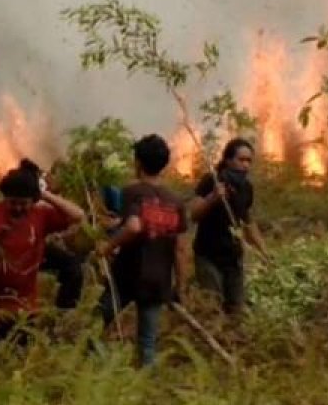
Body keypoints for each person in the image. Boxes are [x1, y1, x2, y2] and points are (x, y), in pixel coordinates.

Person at [0, 166, 85, 359]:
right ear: (4, 198)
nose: (18, 208)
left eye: (23, 203)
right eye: (13, 202)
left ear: (33, 200)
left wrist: (44, 194)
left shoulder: (41, 215)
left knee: (19, 360)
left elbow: (78, 216)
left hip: (25, 306)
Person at [94, 134, 188, 367]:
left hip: (128, 274)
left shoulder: (132, 192)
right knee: (147, 341)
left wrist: (107, 247)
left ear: (137, 162)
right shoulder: (176, 201)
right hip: (158, 279)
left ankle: (91, 370)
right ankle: (148, 385)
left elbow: (134, 226)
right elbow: (180, 248)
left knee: (97, 322)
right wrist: (181, 285)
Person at [189, 138, 267, 315]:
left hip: (233, 257)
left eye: (249, 161)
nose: (246, 165)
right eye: (241, 160)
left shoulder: (246, 187)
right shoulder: (212, 180)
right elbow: (194, 214)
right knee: (213, 307)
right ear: (228, 160)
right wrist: (213, 198)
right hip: (208, 255)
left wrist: (263, 250)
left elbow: (247, 220)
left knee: (236, 309)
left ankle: (233, 341)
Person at [19, 159, 87, 310]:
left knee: (73, 267)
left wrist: (45, 194)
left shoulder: (45, 200)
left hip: (38, 250)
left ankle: (63, 314)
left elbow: (78, 216)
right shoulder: (14, 202)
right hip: (16, 255)